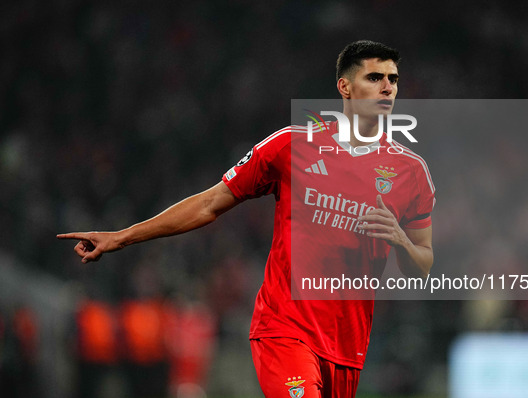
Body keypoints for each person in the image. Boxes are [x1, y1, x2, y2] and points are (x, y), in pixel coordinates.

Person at [58, 40, 435, 398]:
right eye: (375, 77)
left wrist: (401, 241)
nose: (388, 88)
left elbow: (422, 265)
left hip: (347, 344)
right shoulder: (291, 146)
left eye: (393, 79)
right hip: (284, 329)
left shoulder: (410, 172)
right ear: (345, 87)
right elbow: (210, 204)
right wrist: (123, 237)